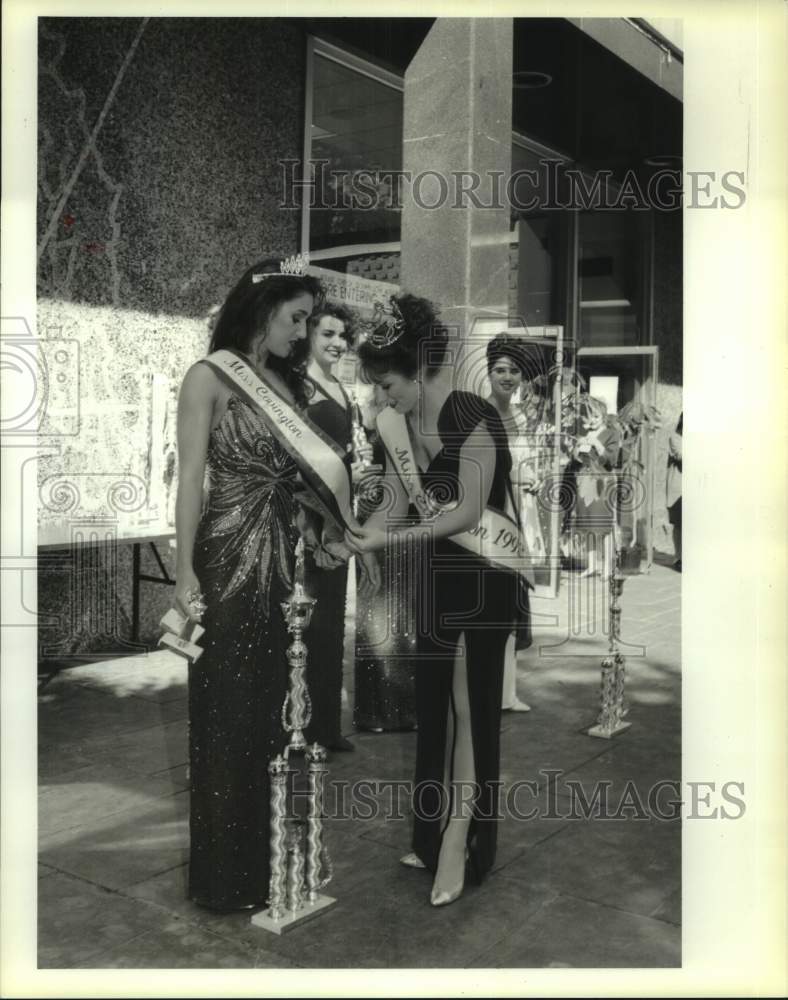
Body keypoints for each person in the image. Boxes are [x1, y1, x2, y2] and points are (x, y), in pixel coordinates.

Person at [346, 293, 525, 907]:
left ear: (419, 368)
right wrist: (361, 539)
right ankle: (428, 832)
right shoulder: (396, 421)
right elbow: (395, 504)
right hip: (435, 571)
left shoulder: (474, 414)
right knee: (433, 705)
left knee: (471, 705)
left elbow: (472, 513)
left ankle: (461, 837)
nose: (381, 397)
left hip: (482, 573)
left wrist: (397, 535)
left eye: (388, 383)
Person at [173, 255, 325, 912]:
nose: (303, 333)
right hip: (227, 556)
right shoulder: (209, 377)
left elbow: (303, 478)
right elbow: (189, 481)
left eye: (309, 322)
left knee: (275, 707)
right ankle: (222, 877)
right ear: (264, 310)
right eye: (297, 318)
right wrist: (181, 571)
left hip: (285, 561)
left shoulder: (287, 385)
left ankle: (267, 865)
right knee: (224, 709)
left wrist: (324, 530)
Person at [296, 303, 371, 752]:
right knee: (303, 627)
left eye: (343, 335)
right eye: (327, 334)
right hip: (305, 524)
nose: (337, 343)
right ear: (307, 335)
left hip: (339, 524)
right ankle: (297, 725)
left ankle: (325, 725)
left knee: (329, 627)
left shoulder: (342, 389)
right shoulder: (295, 389)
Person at [353, 383, 418, 733]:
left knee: (400, 620)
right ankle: (380, 710)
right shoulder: (373, 416)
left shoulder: (402, 415)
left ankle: (396, 708)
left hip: (403, 526)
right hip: (377, 519)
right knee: (377, 617)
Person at [485, 334, 541, 713]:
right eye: (501, 370)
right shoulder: (480, 413)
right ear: (489, 373)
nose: (507, 377)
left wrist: (532, 476)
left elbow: (525, 462)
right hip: (492, 518)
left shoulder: (521, 416)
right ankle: (487, 688)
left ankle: (508, 692)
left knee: (512, 608)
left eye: (514, 371)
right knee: (491, 607)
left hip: (522, 514)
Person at [570, 395, 622, 579]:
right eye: (589, 417)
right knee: (587, 524)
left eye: (596, 417)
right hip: (585, 482)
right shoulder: (585, 435)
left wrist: (596, 443)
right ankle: (592, 565)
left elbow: (612, 460)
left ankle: (607, 566)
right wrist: (577, 449)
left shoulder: (611, 434)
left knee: (603, 525)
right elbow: (577, 461)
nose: (592, 420)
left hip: (602, 482)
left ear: (604, 417)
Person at [666, 412, 682, 570]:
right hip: (679, 487)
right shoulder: (675, 438)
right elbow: (682, 456)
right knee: (679, 523)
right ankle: (679, 557)